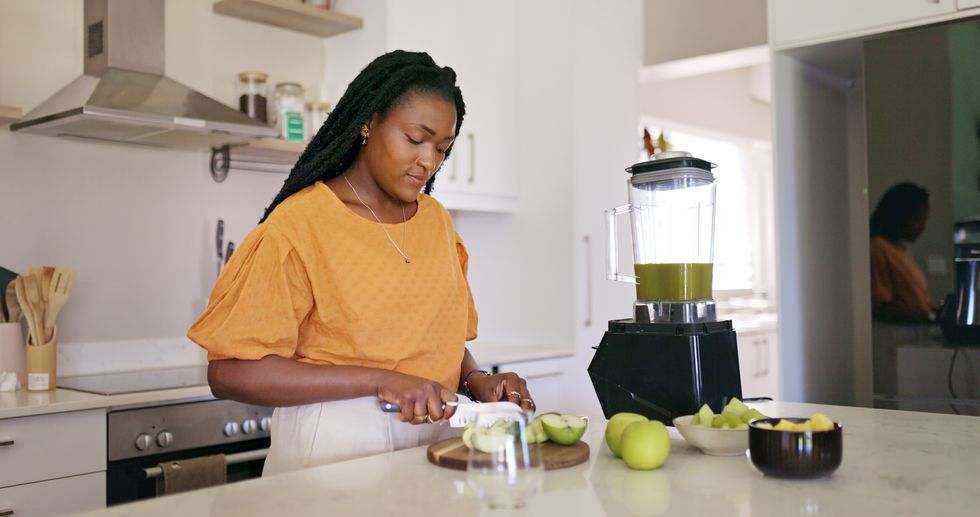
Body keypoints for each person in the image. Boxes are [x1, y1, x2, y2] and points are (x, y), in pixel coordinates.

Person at [188, 50, 534, 476]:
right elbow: (229, 373)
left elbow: (435, 336)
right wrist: (378, 380)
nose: (430, 161)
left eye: (442, 148)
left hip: (438, 440)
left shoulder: (437, 222)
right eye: (415, 139)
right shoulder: (300, 224)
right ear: (369, 123)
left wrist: (476, 380)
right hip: (334, 450)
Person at [869, 183, 935, 324]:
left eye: (924, 220)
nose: (922, 227)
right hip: (895, 335)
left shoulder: (902, 252)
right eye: (917, 219)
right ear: (899, 215)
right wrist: (926, 318)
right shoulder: (878, 248)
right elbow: (880, 306)